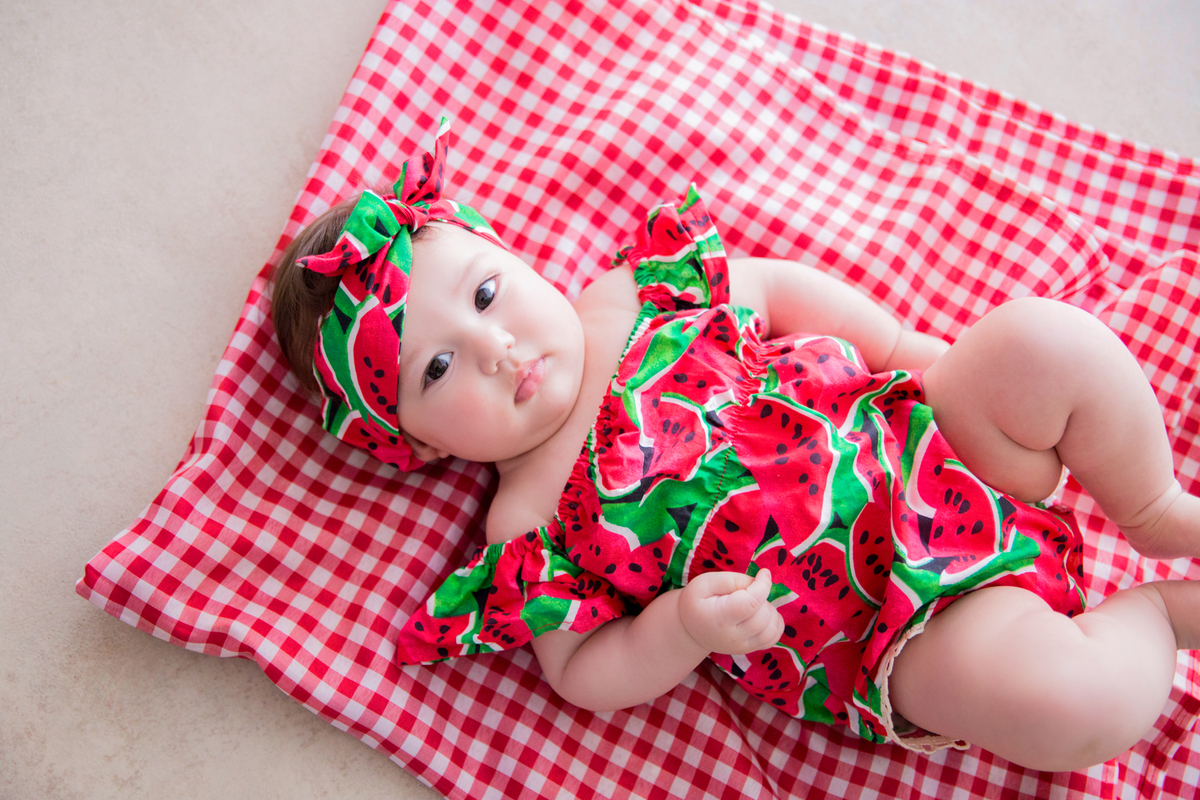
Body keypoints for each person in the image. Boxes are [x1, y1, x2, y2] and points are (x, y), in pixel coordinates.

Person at [271, 120, 1200, 772]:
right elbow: (584, 676)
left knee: (1045, 341)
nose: (496, 348)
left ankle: (1153, 508)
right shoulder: (523, 526)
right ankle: (1156, 616)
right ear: (413, 445)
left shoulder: (636, 293)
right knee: (1070, 708)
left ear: (510, 257)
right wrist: (680, 630)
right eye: (435, 372)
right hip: (895, 629)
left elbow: (784, 290)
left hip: (941, 436)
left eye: (484, 296)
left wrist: (915, 359)